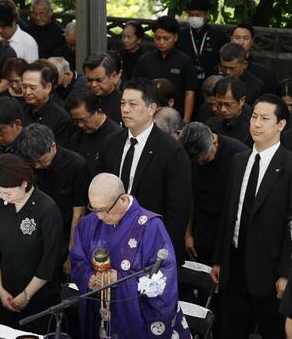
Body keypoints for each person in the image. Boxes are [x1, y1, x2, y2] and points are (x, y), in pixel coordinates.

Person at [70, 173, 199, 339]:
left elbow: (163, 274)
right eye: (94, 209)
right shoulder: (89, 224)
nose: (99, 217)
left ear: (122, 199)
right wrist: (90, 278)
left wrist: (119, 280)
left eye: (104, 210)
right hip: (100, 315)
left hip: (136, 318)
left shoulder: (149, 225)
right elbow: (77, 261)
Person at [212, 95, 292, 339]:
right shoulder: (239, 160)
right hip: (234, 266)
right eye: (254, 116)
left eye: (264, 119)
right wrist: (220, 260)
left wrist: (285, 273)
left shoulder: (288, 165)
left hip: (270, 273)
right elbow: (229, 212)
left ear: (281, 124)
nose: (256, 124)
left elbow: (291, 226)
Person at [98, 78, 192, 262]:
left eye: (133, 104)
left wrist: (161, 251)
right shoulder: (111, 143)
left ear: (152, 108)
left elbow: (178, 211)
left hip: (151, 245)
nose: (125, 109)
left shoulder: (171, 151)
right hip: (111, 240)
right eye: (123, 103)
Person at [0, 154, 62, 333]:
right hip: (5, 293)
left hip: (39, 297)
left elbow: (50, 259)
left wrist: (27, 294)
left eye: (8, 192)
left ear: (24, 183)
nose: (4, 197)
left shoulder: (47, 209)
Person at [19, 124, 90, 273]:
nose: (37, 167)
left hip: (64, 234)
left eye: (42, 161)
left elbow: (79, 213)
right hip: (35, 233)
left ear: (53, 146)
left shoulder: (76, 166)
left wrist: (72, 254)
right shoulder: (28, 165)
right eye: (34, 163)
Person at [178, 122, 248, 264]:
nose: (201, 164)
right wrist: (188, 234)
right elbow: (190, 197)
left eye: (204, 159)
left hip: (228, 233)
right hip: (201, 230)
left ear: (214, 141)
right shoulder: (188, 156)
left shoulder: (239, 155)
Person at [132, 15, 200, 120]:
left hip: (175, 116)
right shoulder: (144, 61)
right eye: (158, 38)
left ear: (175, 37)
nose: (161, 42)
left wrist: (185, 121)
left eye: (166, 38)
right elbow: (136, 89)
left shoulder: (185, 61)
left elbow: (189, 92)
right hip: (147, 116)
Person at [65, 89, 123, 177]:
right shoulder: (76, 138)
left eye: (83, 120)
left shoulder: (117, 137)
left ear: (98, 112)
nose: (80, 125)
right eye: (75, 121)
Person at [175, 0, 229, 82]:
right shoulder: (180, 35)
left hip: (211, 84)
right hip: (185, 83)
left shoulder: (218, 36)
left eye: (198, 15)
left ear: (207, 14)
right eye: (191, 15)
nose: (194, 18)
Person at [21, 61, 74, 146]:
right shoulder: (21, 110)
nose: (27, 92)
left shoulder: (61, 118)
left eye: (32, 88)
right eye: (24, 87)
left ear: (48, 87)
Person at [231, 23, 279, 95]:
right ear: (231, 39)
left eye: (246, 38)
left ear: (252, 41)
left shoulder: (264, 73)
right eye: (237, 38)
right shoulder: (220, 67)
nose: (241, 42)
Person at [207, 77, 252, 145]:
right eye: (219, 103)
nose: (223, 110)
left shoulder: (251, 129)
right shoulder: (211, 124)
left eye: (228, 104)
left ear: (242, 100)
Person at [83, 52, 123, 124]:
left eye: (99, 80)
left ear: (113, 76)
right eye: (89, 80)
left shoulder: (124, 106)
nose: (93, 84)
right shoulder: (82, 102)